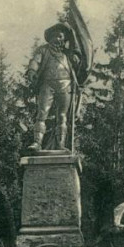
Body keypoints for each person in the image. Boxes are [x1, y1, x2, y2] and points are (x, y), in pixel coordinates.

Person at [26, 22, 83, 151]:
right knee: (42, 113)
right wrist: (32, 70)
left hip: (66, 86)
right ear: (50, 37)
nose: (58, 39)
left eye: (61, 37)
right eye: (56, 36)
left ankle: (60, 144)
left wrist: (76, 56)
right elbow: (35, 60)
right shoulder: (43, 50)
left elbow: (78, 64)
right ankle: (37, 142)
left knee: (62, 116)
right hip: (47, 85)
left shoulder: (68, 54)